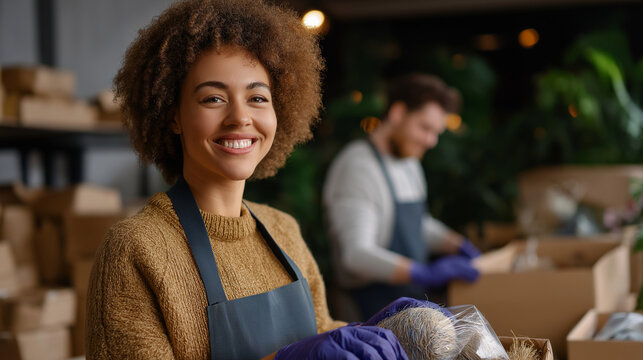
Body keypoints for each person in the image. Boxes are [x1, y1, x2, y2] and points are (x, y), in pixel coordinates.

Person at [85, 1, 429, 359]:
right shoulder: (134, 250)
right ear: (173, 117)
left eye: (257, 98)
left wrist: (385, 333)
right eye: (213, 98)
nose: (240, 117)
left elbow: (319, 332)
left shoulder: (283, 231)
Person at [323, 73, 481, 320]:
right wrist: (421, 273)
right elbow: (355, 255)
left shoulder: (409, 163)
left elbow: (418, 224)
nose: (431, 141)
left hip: (408, 304)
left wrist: (457, 244)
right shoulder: (357, 167)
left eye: (436, 132)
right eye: (425, 128)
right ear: (397, 113)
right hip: (369, 312)